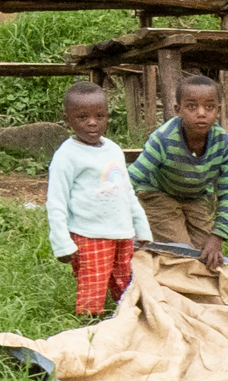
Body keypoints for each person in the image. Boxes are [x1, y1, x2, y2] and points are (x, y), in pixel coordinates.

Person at [46, 82, 153, 315]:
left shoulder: (113, 149)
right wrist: (62, 243)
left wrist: (141, 228)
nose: (92, 122)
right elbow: (56, 202)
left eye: (99, 116)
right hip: (89, 234)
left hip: (122, 233)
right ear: (67, 120)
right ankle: (89, 324)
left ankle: (127, 317)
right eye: (82, 117)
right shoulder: (67, 156)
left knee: (126, 282)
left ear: (107, 116)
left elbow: (126, 191)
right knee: (93, 285)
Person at [128, 75, 228, 271]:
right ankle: (145, 249)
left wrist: (218, 236)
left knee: (207, 255)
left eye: (209, 107)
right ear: (178, 110)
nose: (201, 113)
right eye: (192, 106)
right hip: (158, 194)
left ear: (218, 111)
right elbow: (131, 178)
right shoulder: (162, 139)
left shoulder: (222, 141)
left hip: (195, 198)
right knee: (181, 253)